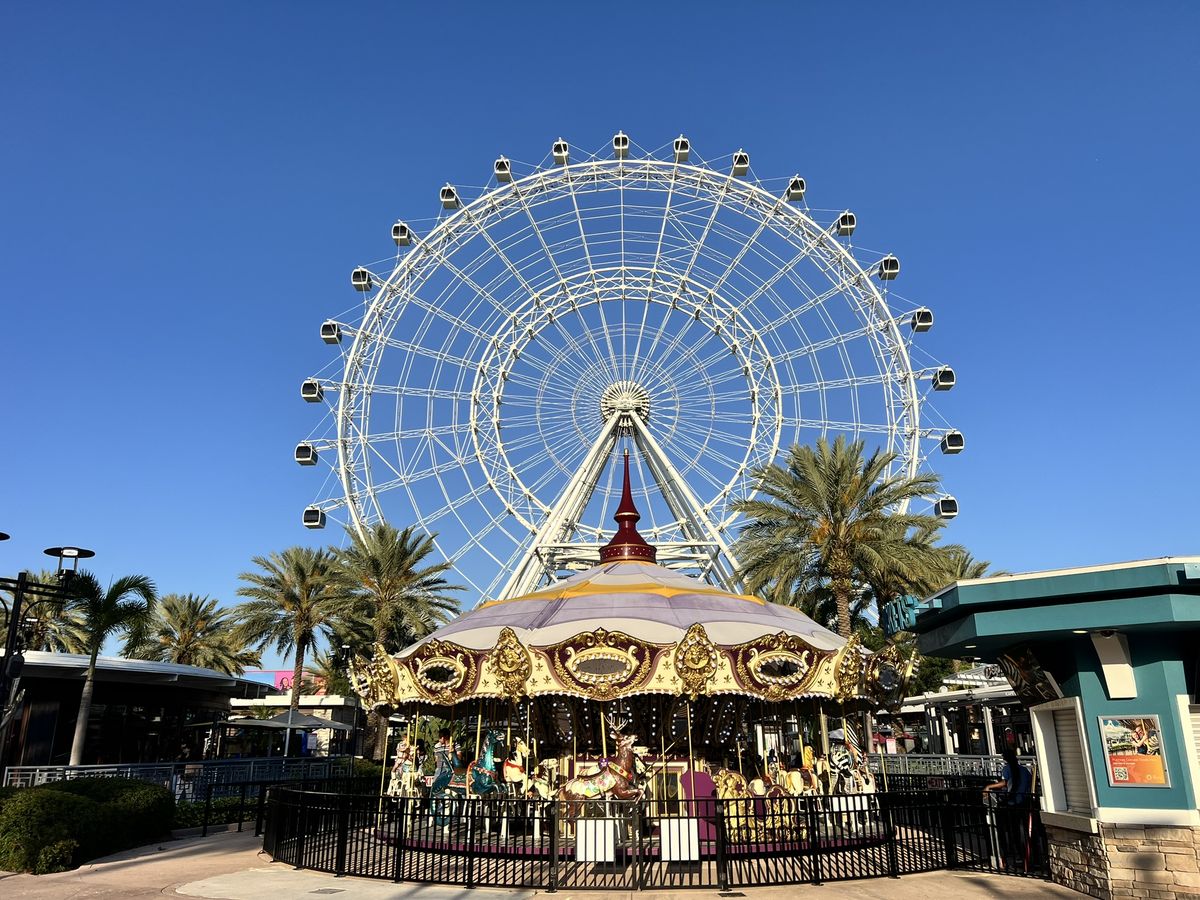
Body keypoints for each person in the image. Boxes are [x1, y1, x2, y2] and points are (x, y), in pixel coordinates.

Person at [985, 749, 1033, 870]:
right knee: (1023, 831)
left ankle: (1019, 856)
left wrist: (989, 786)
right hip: (1023, 802)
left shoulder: (1007, 769)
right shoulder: (1024, 770)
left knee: (1014, 831)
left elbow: (1004, 783)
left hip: (1013, 802)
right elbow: (1030, 783)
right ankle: (1027, 856)